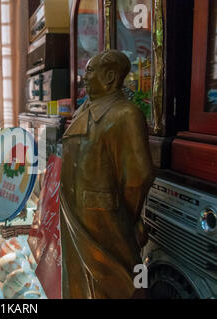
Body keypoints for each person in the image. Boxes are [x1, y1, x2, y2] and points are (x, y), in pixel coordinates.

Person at [60, 50, 155, 298]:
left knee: (121, 283)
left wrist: (125, 218)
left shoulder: (125, 114)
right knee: (79, 283)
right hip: (76, 214)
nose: (84, 77)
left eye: (90, 71)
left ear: (111, 76)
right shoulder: (85, 110)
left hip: (105, 222)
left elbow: (138, 177)